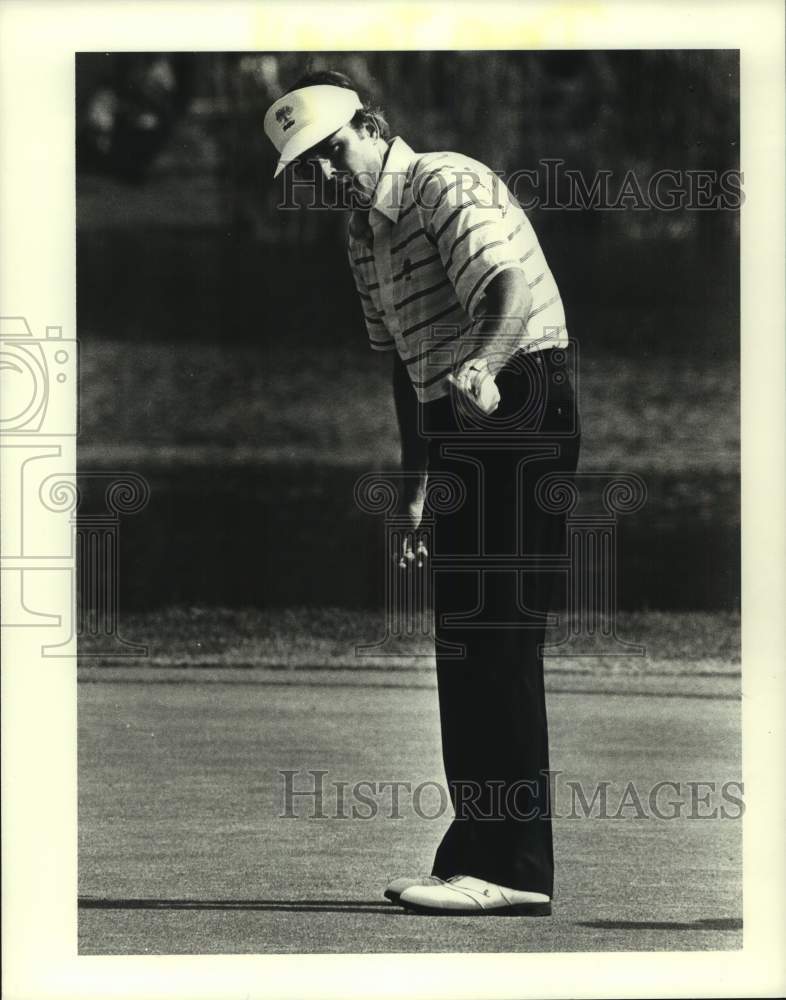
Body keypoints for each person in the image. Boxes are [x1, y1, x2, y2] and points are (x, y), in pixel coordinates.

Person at [264, 69, 581, 916]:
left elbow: (508, 289)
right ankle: (475, 852)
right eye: (309, 170)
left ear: (371, 127)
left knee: (500, 630)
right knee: (462, 638)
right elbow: (407, 371)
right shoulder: (362, 234)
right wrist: (419, 485)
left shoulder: (446, 179)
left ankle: (515, 867)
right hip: (458, 416)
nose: (326, 177)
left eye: (332, 154)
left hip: (520, 395)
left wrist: (482, 363)